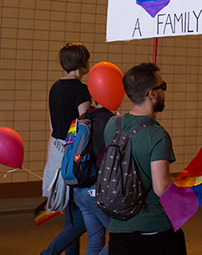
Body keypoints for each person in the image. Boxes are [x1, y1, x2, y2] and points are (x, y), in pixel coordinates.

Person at [103, 62, 185, 255]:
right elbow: (161, 187)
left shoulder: (112, 125)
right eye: (162, 86)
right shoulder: (157, 134)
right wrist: (189, 188)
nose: (164, 91)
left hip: (118, 226)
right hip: (153, 228)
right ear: (152, 94)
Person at [42, 43, 92, 255]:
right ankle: (50, 252)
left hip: (57, 150)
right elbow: (85, 126)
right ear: (81, 62)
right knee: (81, 215)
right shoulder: (81, 90)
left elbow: (53, 127)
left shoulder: (55, 87)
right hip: (75, 154)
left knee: (71, 212)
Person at [73, 100, 114, 255]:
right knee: (121, 239)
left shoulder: (81, 118)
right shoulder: (110, 121)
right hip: (96, 189)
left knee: (95, 242)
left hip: (80, 190)